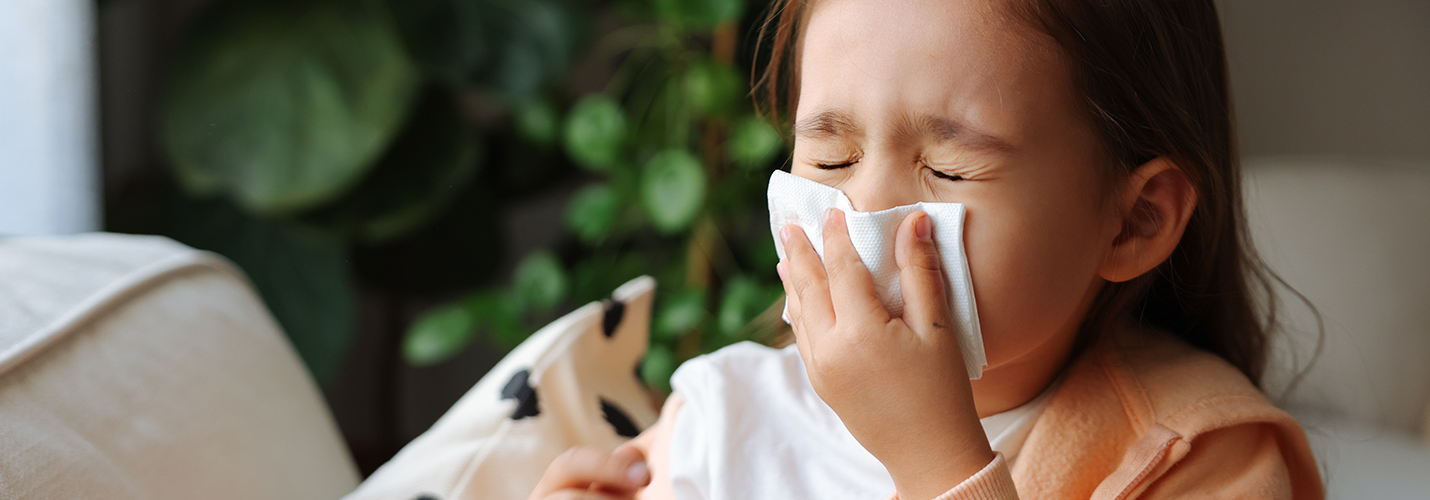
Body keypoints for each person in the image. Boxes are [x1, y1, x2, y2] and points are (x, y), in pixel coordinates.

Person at [530, 0, 1324, 498]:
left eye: (950, 168)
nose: (863, 208)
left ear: (1133, 222)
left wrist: (937, 460)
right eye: (831, 159)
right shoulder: (729, 414)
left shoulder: (1203, 458)